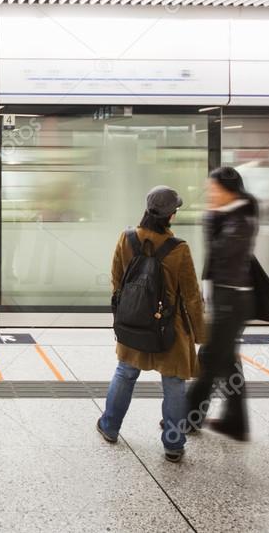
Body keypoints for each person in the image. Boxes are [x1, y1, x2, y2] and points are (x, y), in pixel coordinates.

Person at [97, 186, 205, 463]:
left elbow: (116, 278)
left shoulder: (127, 237)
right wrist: (200, 332)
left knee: (125, 372)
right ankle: (173, 444)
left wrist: (128, 308)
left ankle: (109, 426)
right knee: (174, 382)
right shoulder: (179, 249)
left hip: (133, 324)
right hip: (169, 328)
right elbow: (191, 295)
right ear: (171, 215)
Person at [186, 166, 258, 442]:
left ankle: (187, 417)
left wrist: (212, 219)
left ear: (230, 191)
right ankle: (235, 422)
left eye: (214, 190)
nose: (210, 195)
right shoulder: (232, 215)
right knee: (227, 362)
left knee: (210, 360)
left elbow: (221, 253)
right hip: (228, 297)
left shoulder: (240, 219)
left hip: (233, 299)